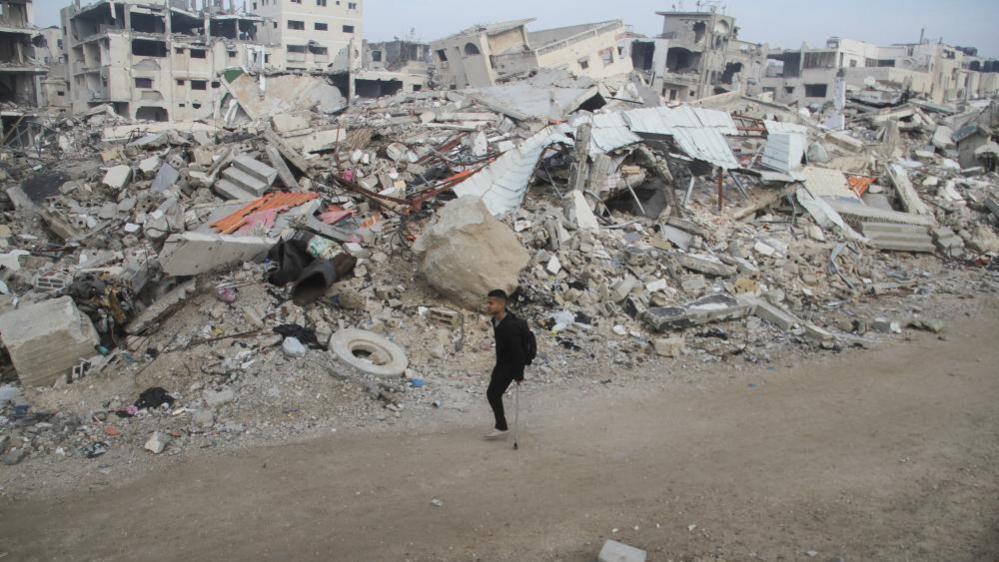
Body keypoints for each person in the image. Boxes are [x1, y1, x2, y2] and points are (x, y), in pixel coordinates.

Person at [484, 289, 527, 440]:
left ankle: (501, 427)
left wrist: (519, 375)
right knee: (493, 393)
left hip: (509, 365)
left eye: (491, 303)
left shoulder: (510, 327)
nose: (487, 306)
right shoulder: (497, 320)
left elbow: (518, 352)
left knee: (493, 394)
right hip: (502, 362)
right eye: (487, 302)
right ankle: (501, 425)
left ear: (501, 305)